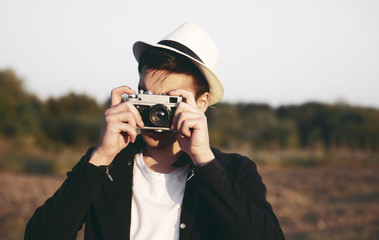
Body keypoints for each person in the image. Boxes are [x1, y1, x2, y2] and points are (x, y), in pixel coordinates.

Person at [25, 22, 285, 240]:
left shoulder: (235, 171)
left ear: (201, 103)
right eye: (147, 97)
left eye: (169, 102)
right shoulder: (105, 166)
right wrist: (101, 156)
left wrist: (204, 160)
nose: (155, 114)